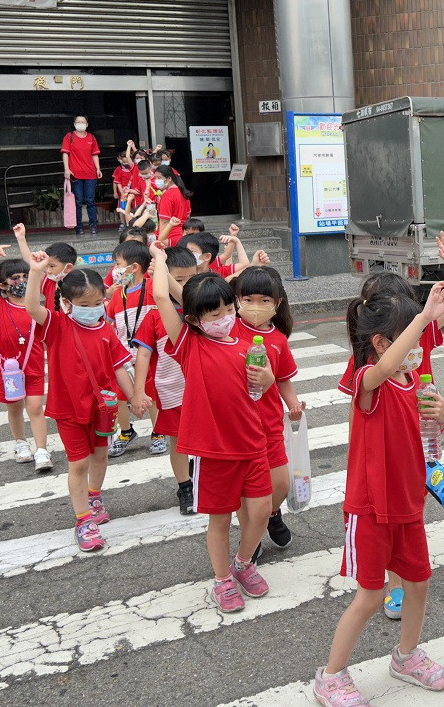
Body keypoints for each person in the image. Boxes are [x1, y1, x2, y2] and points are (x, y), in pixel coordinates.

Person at [313, 284, 444, 706]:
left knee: (418, 582)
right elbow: (386, 365)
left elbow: (424, 434)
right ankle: (331, 675)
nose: (419, 348)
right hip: (370, 508)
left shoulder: (413, 381)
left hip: (409, 503)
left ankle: (406, 656)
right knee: (370, 595)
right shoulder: (368, 382)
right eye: (412, 336)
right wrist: (422, 317)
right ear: (380, 342)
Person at [336, 230, 444, 620]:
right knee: (388, 512)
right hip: (385, 435)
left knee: (411, 505)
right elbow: (365, 398)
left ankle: (406, 575)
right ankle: (393, 585)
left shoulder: (418, 333)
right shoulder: (372, 364)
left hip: (419, 428)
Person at [150, 248, 272, 613]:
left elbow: (259, 389)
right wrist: (158, 255)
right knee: (219, 519)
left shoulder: (249, 346)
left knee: (262, 510)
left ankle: (243, 562)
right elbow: (162, 296)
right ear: (195, 319)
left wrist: (264, 378)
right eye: (214, 314)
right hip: (214, 449)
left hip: (252, 442)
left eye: (228, 310)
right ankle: (222, 580)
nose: (224, 318)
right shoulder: (190, 344)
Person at [24, 255, 139, 552]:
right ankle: (83, 520)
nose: (92, 310)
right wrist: (36, 273)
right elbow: (32, 307)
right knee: (78, 462)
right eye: (84, 306)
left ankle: (95, 496)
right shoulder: (58, 325)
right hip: (68, 409)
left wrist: (136, 396)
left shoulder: (105, 330)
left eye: (97, 303)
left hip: (103, 409)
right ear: (67, 304)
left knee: (100, 457)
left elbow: (118, 368)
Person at [233, 266, 305, 558]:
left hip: (269, 422)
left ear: (277, 303)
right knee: (243, 491)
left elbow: (284, 378)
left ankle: (272, 512)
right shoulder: (227, 330)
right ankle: (252, 538)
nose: (256, 307)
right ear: (236, 300)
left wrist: (293, 404)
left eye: (265, 300)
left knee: (280, 483)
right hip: (236, 425)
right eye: (248, 299)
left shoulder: (278, 340)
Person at [133, 245, 199, 513]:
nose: (185, 285)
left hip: (204, 390)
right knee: (179, 442)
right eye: (178, 279)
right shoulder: (153, 317)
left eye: (190, 279)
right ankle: (185, 486)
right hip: (172, 391)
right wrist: (138, 391)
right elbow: (143, 355)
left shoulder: (200, 311)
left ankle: (202, 477)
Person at [0, 245, 52, 471]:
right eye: (15, 278)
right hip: (8, 368)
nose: (21, 281)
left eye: (25, 276)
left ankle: (41, 450)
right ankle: (20, 443)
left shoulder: (37, 307)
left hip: (35, 363)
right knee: (15, 406)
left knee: (36, 407)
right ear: (2, 285)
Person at [105, 240, 165, 459]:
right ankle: (126, 431)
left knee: (151, 395)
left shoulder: (151, 288)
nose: (114, 270)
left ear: (134, 267)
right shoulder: (117, 296)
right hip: (123, 359)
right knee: (120, 396)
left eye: (118, 264)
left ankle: (158, 432)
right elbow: (108, 323)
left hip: (149, 355)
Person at [61, 115, 103, 236]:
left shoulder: (91, 137)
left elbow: (95, 154)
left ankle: (93, 226)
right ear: (74, 124)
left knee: (90, 201)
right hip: (75, 174)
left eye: (83, 122)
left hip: (90, 174)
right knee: (78, 201)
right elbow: (65, 154)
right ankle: (78, 227)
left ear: (87, 124)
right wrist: (67, 169)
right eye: (78, 122)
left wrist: (98, 168)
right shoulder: (69, 136)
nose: (80, 124)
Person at [154, 165, 192, 247]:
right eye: (156, 178)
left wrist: (160, 239)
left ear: (169, 179)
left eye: (159, 177)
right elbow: (188, 214)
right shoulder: (183, 192)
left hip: (170, 235)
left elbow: (164, 221)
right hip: (183, 234)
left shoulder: (167, 195)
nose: (156, 180)